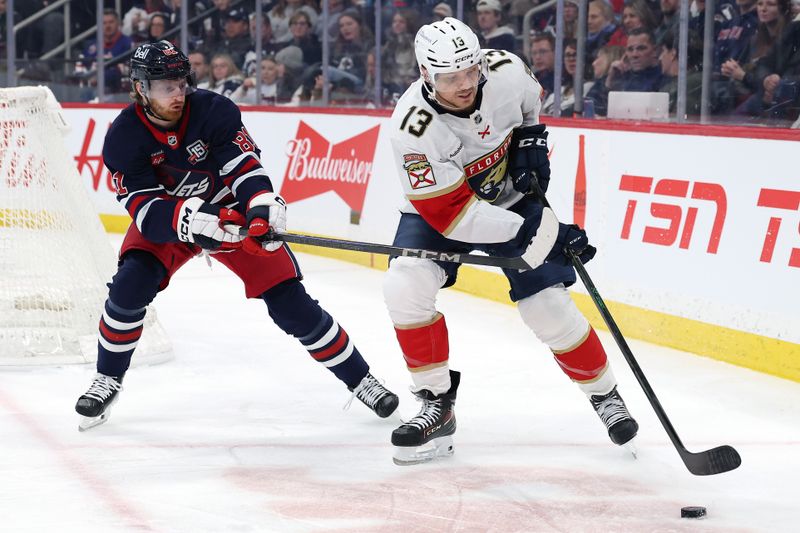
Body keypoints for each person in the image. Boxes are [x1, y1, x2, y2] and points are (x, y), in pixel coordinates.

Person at [74, 40, 399, 431]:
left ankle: (362, 380)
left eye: (181, 83)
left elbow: (244, 168)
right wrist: (192, 221)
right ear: (140, 89)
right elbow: (145, 211)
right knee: (129, 287)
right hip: (172, 221)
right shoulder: (124, 136)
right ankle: (108, 378)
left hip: (232, 215)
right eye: (166, 87)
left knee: (289, 302)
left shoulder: (214, 110)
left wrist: (262, 207)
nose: (177, 94)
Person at [384, 18, 638, 465]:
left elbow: (528, 108)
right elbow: (455, 216)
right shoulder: (413, 129)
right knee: (405, 285)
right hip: (444, 210)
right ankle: (436, 404)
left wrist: (528, 138)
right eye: (450, 77)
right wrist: (540, 235)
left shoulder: (505, 70)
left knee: (547, 305)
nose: (464, 84)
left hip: (512, 196)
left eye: (469, 71)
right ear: (425, 74)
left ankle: (604, 395)